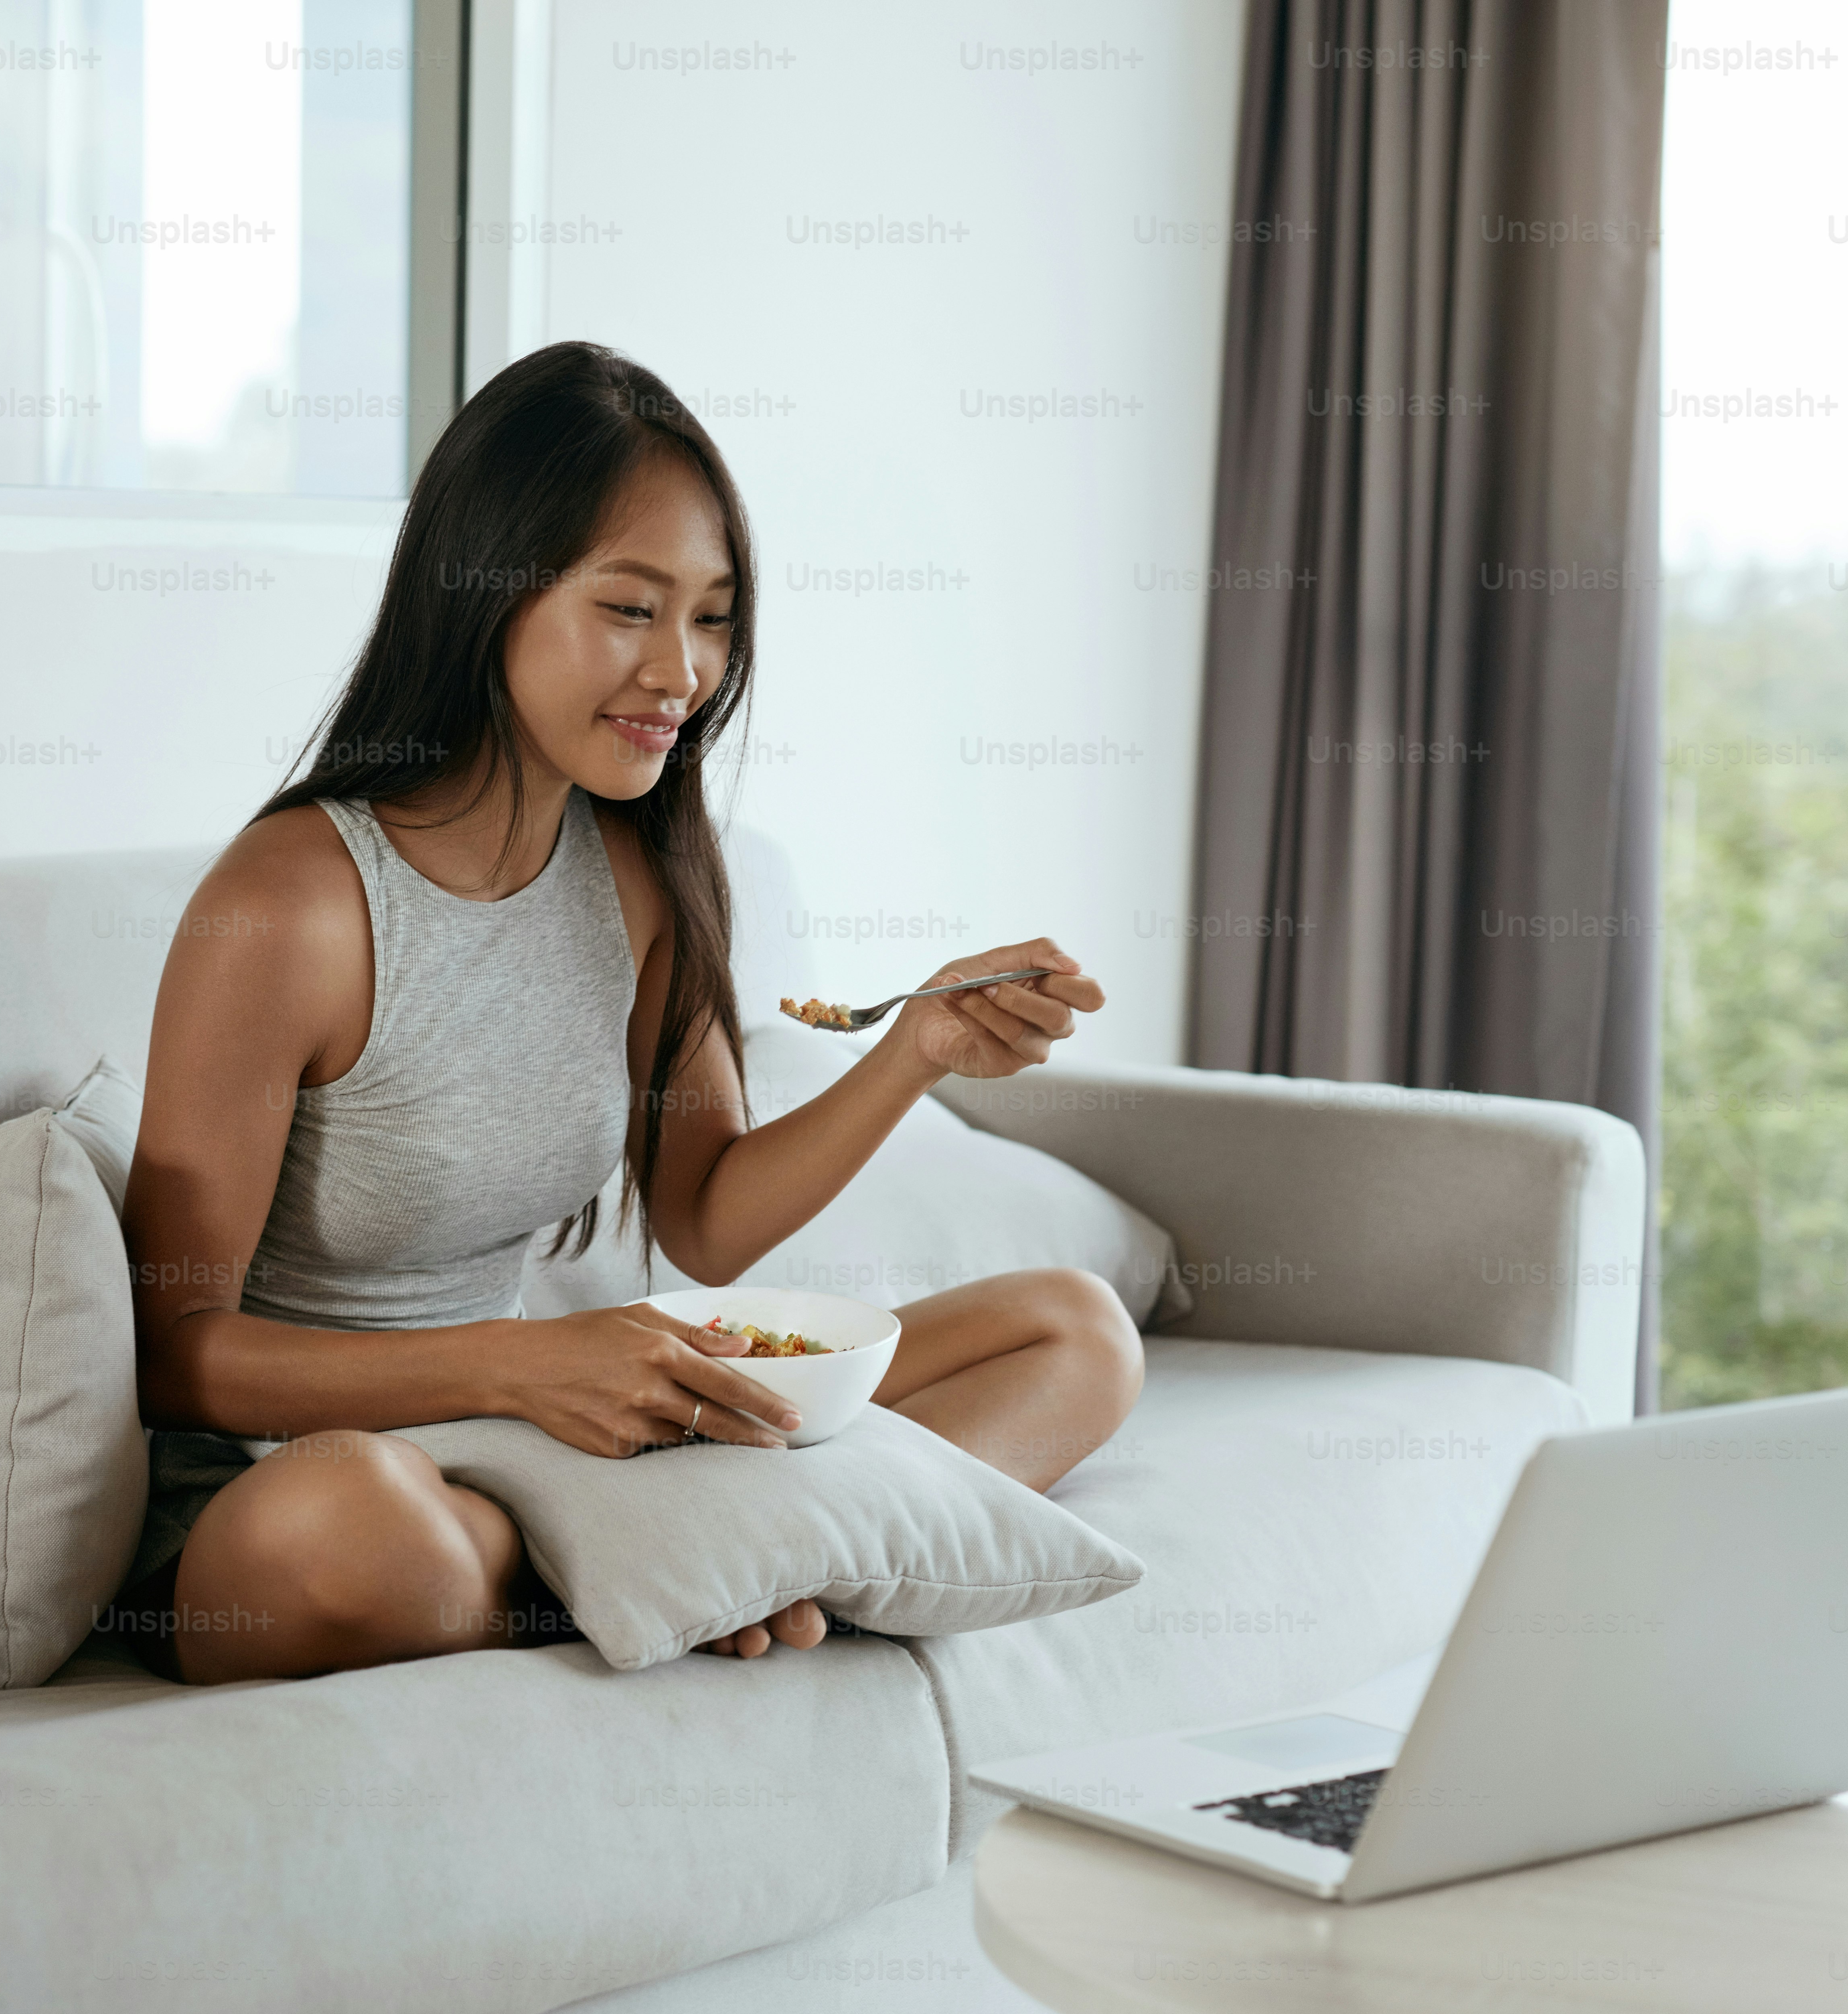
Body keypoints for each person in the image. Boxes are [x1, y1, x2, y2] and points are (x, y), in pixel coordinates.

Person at [116, 341, 1144, 1684]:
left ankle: (704, 1567)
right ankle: (707, 1569)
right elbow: (174, 1356)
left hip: (550, 1443)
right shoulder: (295, 903)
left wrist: (917, 1053)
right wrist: (520, 1363)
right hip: (316, 1480)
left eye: (712, 618)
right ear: (483, 594)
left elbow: (708, 1217)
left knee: (1071, 1332)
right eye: (629, 608)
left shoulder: (640, 871)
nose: (684, 671)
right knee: (344, 1537)